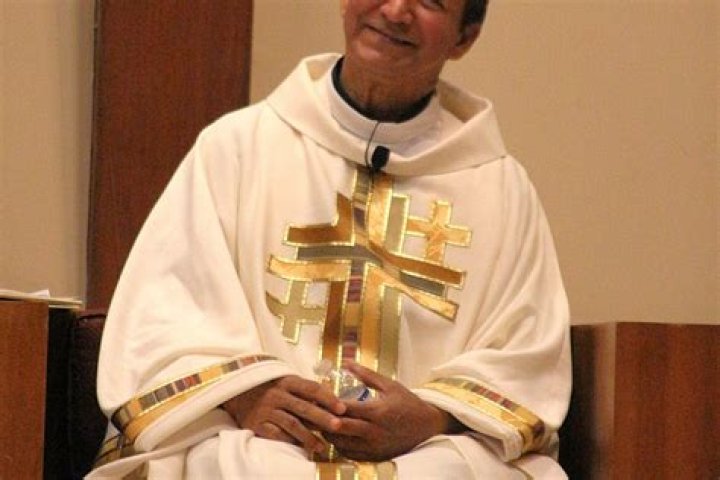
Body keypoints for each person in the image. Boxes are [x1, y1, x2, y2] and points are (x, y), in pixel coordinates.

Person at [88, 0, 571, 478]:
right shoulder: (236, 148)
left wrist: (433, 417)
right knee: (220, 463)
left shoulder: (501, 188)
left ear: (464, 37)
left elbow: (525, 352)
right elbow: (165, 311)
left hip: (423, 455)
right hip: (262, 446)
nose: (396, 11)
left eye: (429, 1)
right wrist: (246, 393)